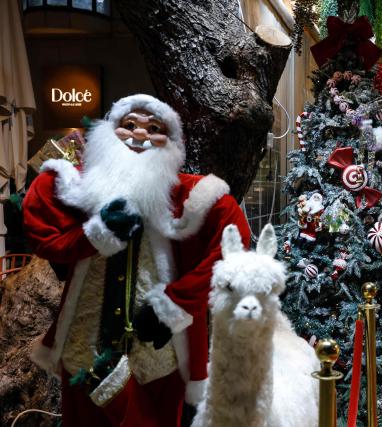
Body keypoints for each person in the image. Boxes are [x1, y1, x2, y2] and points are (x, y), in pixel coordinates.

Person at [22, 94, 251, 426]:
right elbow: (42, 224)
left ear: (172, 143)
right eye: (128, 125)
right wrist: (94, 234)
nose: (140, 134)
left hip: (158, 358)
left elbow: (233, 243)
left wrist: (175, 303)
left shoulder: (191, 197)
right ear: (107, 133)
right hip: (83, 355)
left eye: (155, 128)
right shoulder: (82, 191)